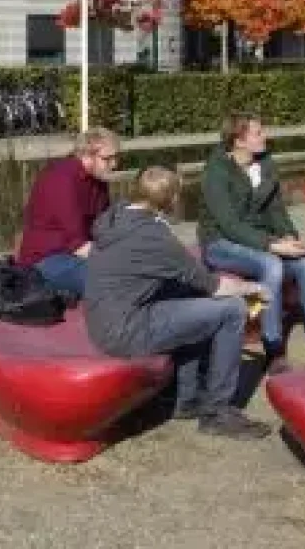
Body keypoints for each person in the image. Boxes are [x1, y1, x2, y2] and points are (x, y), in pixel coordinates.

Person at [84, 166, 272, 441]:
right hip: (126, 330)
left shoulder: (115, 215)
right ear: (170, 200)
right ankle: (217, 413)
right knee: (232, 310)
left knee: (188, 294)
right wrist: (255, 288)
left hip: (105, 322)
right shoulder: (155, 237)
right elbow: (215, 286)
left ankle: (185, 397)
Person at [198, 113, 305, 375]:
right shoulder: (215, 172)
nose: (265, 136)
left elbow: (276, 210)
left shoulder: (265, 164)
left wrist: (289, 236)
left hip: (258, 238)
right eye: (258, 133)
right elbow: (229, 225)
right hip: (220, 243)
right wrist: (272, 246)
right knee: (271, 266)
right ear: (239, 140)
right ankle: (273, 348)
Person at [15, 127, 117, 298]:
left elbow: (104, 227)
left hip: (75, 253)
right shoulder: (62, 180)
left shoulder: (98, 179)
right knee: (116, 280)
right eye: (108, 159)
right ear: (86, 156)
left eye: (116, 157)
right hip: (46, 259)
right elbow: (77, 244)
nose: (114, 164)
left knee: (135, 268)